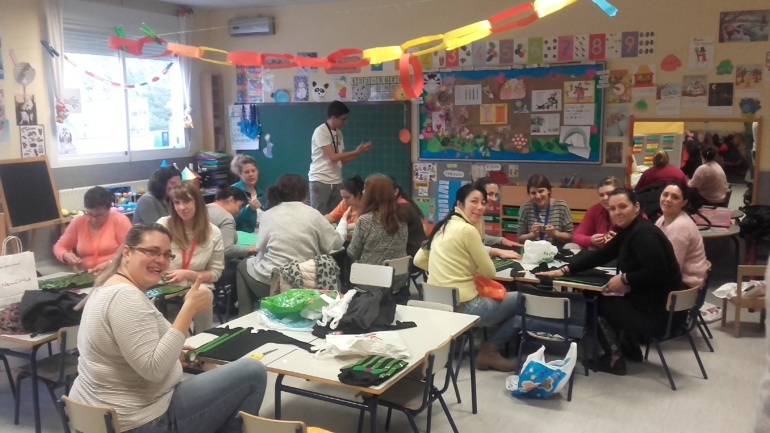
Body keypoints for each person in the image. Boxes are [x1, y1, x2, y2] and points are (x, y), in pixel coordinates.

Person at [69, 224, 267, 433]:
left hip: (98, 413)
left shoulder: (107, 286)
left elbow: (135, 355)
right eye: (152, 252)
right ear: (127, 252)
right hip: (138, 420)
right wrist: (188, 308)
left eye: (166, 255)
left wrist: (171, 356)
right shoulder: (125, 297)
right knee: (252, 372)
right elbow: (154, 369)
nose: (161, 261)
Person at [538, 189, 682, 375]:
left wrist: (624, 278)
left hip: (658, 315)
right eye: (612, 208)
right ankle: (629, 348)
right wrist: (565, 270)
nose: (617, 212)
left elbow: (658, 271)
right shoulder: (631, 229)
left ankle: (614, 358)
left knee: (594, 299)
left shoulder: (644, 234)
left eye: (622, 206)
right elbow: (603, 254)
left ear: (636, 207)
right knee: (603, 295)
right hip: (657, 307)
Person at [414, 184, 519, 372]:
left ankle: (463, 340)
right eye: (474, 201)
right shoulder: (467, 230)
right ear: (460, 204)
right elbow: (489, 273)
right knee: (522, 300)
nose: (480, 207)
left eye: (483, 203)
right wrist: (462, 269)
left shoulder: (442, 225)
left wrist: (447, 269)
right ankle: (490, 351)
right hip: (466, 307)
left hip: (438, 305)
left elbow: (418, 260)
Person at [237, 174, 344, 316]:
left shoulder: (268, 214)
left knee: (241, 266)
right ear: (304, 193)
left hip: (272, 284)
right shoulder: (313, 214)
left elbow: (259, 247)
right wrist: (343, 225)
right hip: (307, 284)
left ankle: (244, 315)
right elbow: (334, 244)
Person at [157, 183, 224, 332]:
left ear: (197, 202)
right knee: (176, 331)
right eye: (177, 203)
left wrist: (188, 274)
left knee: (202, 294)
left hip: (196, 284)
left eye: (186, 201)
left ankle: (204, 339)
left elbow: (215, 273)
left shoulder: (213, 232)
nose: (181, 208)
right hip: (165, 285)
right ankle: (175, 345)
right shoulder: (163, 225)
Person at [345, 174, 408, 299]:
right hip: (398, 281)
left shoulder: (365, 220)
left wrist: (349, 241)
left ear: (371, 194)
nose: (362, 192)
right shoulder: (402, 218)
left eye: (365, 189)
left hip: (371, 282)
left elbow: (353, 253)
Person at [308, 101, 373, 214]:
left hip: (336, 181)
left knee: (336, 216)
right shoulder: (321, 132)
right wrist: (355, 151)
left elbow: (343, 160)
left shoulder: (339, 133)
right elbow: (333, 157)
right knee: (319, 217)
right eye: (343, 119)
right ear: (333, 117)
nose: (345, 122)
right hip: (320, 181)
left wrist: (359, 152)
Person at [54, 186, 132, 274]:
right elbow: (59, 246)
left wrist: (110, 263)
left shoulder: (119, 220)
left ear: (108, 210)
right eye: (89, 214)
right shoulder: (78, 222)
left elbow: (130, 250)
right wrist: (65, 255)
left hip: (117, 272)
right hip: (90, 274)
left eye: (99, 215)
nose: (94, 219)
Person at [655, 181, 708, 288]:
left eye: (675, 197)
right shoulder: (663, 219)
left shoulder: (680, 226)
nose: (668, 199)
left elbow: (672, 268)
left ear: (683, 202)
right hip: (675, 277)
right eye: (665, 195)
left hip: (685, 284)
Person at [516, 174, 573, 247]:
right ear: (529, 194)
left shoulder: (561, 206)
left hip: (557, 252)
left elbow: (570, 237)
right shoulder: (525, 208)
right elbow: (519, 239)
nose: (538, 196)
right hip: (533, 252)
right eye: (533, 193)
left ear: (549, 190)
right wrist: (532, 235)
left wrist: (554, 233)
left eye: (541, 191)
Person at [473, 177, 522, 259]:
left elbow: (481, 238)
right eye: (490, 194)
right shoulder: (465, 219)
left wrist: (502, 240)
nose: (494, 199)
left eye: (496, 195)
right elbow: (470, 248)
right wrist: (497, 251)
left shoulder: (480, 215)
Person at [572, 176, 623, 249]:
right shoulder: (595, 210)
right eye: (601, 195)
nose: (605, 198)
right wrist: (591, 240)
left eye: (609, 193)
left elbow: (641, 238)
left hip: (625, 252)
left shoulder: (630, 210)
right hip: (601, 252)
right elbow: (576, 236)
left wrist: (618, 241)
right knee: (571, 246)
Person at [207, 185, 254, 261]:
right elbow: (227, 249)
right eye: (240, 206)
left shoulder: (204, 208)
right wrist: (249, 249)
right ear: (231, 200)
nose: (239, 211)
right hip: (216, 265)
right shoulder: (226, 218)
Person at [391, 177, 426, 259]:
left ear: (396, 191)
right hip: (415, 254)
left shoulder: (401, 208)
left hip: (411, 256)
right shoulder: (404, 204)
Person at [230, 154, 264, 233]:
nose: (251, 174)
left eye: (253, 170)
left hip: (262, 232)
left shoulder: (261, 193)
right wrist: (250, 209)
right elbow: (231, 220)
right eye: (246, 172)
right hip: (244, 236)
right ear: (239, 174)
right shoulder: (233, 191)